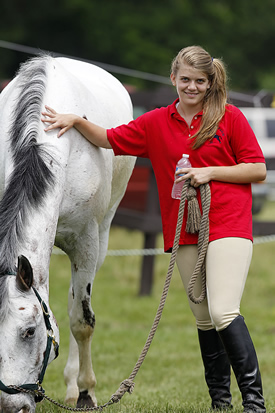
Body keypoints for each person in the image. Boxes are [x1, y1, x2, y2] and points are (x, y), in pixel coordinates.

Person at [42, 46, 267, 412]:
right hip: (184, 231)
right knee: (204, 318)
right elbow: (110, 138)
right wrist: (77, 121)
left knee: (224, 311)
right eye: (185, 80)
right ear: (173, 79)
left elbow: (256, 169)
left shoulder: (228, 118)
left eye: (199, 81)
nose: (191, 87)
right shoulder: (156, 122)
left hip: (227, 223)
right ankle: (221, 403)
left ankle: (254, 404)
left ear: (210, 83)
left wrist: (208, 172)